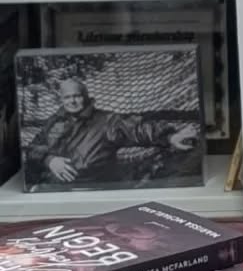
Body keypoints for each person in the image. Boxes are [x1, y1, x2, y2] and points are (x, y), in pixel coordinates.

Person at [27, 76, 200, 189]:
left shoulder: (107, 121)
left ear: (85, 97)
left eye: (77, 96)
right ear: (61, 100)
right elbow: (33, 148)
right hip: (53, 187)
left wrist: (170, 137)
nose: (72, 101)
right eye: (67, 97)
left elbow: (138, 129)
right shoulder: (54, 121)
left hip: (92, 189)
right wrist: (49, 160)